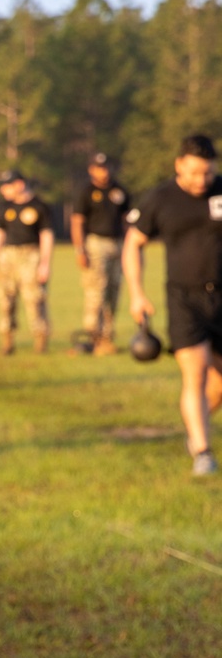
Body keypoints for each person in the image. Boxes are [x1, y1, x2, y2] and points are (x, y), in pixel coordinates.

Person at [123, 133, 222, 476]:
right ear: (179, 165)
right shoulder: (160, 199)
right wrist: (137, 293)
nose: (201, 180)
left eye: (207, 173)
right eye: (194, 172)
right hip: (184, 298)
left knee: (218, 385)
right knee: (194, 373)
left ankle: (196, 430)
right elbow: (133, 243)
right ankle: (204, 452)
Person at [0, 171, 53, 355]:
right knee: (5, 300)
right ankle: (7, 343)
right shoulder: (4, 208)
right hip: (8, 257)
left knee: (35, 299)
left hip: (31, 255)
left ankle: (40, 342)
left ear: (19, 184)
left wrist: (45, 263)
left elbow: (46, 235)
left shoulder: (39, 206)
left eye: (7, 185)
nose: (2, 189)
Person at [69, 152, 132, 355]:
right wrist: (80, 250)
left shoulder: (119, 190)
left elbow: (127, 221)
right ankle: (92, 337)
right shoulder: (86, 192)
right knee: (97, 290)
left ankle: (107, 338)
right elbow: (77, 222)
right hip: (95, 244)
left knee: (114, 290)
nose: (103, 172)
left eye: (105, 167)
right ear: (91, 169)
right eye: (98, 168)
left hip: (118, 244)